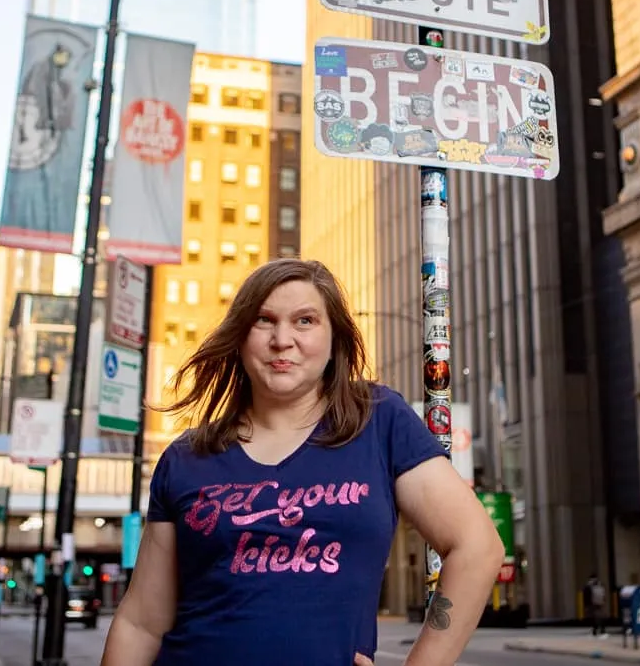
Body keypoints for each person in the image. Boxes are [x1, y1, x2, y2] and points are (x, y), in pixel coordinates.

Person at [101, 259, 505, 666]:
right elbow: (141, 623)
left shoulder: (379, 421)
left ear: (335, 340)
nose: (282, 339)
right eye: (264, 320)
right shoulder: (186, 458)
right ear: (240, 336)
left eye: (305, 321)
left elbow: (477, 548)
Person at [583, 572, 607, 637]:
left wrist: (586, 605)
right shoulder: (600, 584)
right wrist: (603, 601)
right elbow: (603, 594)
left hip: (593, 603)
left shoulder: (589, 585)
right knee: (601, 616)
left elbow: (586, 595)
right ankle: (602, 630)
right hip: (600, 602)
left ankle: (595, 630)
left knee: (594, 617)